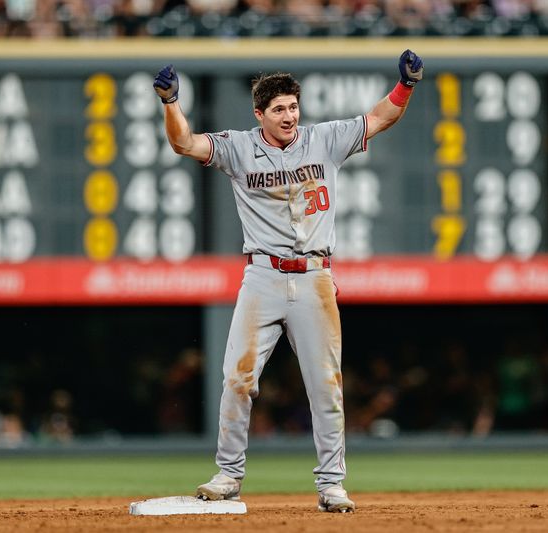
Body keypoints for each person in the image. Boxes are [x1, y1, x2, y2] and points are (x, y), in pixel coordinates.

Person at [153, 49, 423, 513]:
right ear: (260, 114)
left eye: (293, 106)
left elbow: (380, 118)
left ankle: (332, 484)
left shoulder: (325, 139)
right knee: (237, 379)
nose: (289, 115)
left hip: (315, 277)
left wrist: (407, 86)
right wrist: (170, 103)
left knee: (326, 385)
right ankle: (228, 474)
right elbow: (185, 144)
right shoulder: (239, 147)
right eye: (278, 108)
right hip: (262, 275)